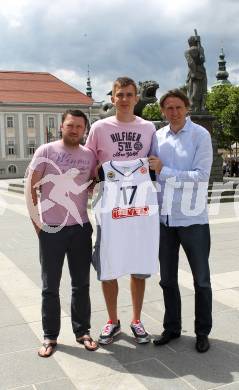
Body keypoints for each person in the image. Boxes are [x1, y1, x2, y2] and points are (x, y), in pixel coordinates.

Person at [86, 76, 157, 344]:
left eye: (129, 94)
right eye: (120, 95)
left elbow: (154, 164)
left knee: (139, 265)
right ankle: (112, 320)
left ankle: (136, 320)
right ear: (112, 98)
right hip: (109, 203)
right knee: (108, 263)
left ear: (136, 98)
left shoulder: (149, 127)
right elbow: (89, 162)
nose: (124, 99)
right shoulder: (100, 127)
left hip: (139, 205)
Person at [25, 109, 98, 357]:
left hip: (80, 229)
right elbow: (30, 188)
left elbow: (94, 183)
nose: (74, 130)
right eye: (70, 125)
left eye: (79, 126)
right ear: (62, 127)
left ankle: (82, 331)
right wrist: (38, 224)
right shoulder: (46, 151)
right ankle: (50, 336)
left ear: (84, 130)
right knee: (50, 286)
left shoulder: (89, 155)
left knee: (81, 284)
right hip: (52, 230)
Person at [148, 89, 213, 353]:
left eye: (178, 107)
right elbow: (149, 171)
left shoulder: (200, 135)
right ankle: (172, 328)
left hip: (193, 218)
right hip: (164, 219)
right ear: (163, 111)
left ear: (187, 108)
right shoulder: (158, 136)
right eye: (168, 108)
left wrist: (165, 171)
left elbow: (201, 176)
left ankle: (202, 332)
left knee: (201, 280)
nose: (173, 112)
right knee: (167, 279)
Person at [185, 33, 207, 112]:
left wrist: (194, 72)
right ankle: (202, 107)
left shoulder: (187, 51)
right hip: (202, 72)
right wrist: (199, 44)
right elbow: (203, 59)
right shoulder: (200, 49)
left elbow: (190, 62)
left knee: (192, 92)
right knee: (203, 91)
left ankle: (193, 108)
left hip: (193, 73)